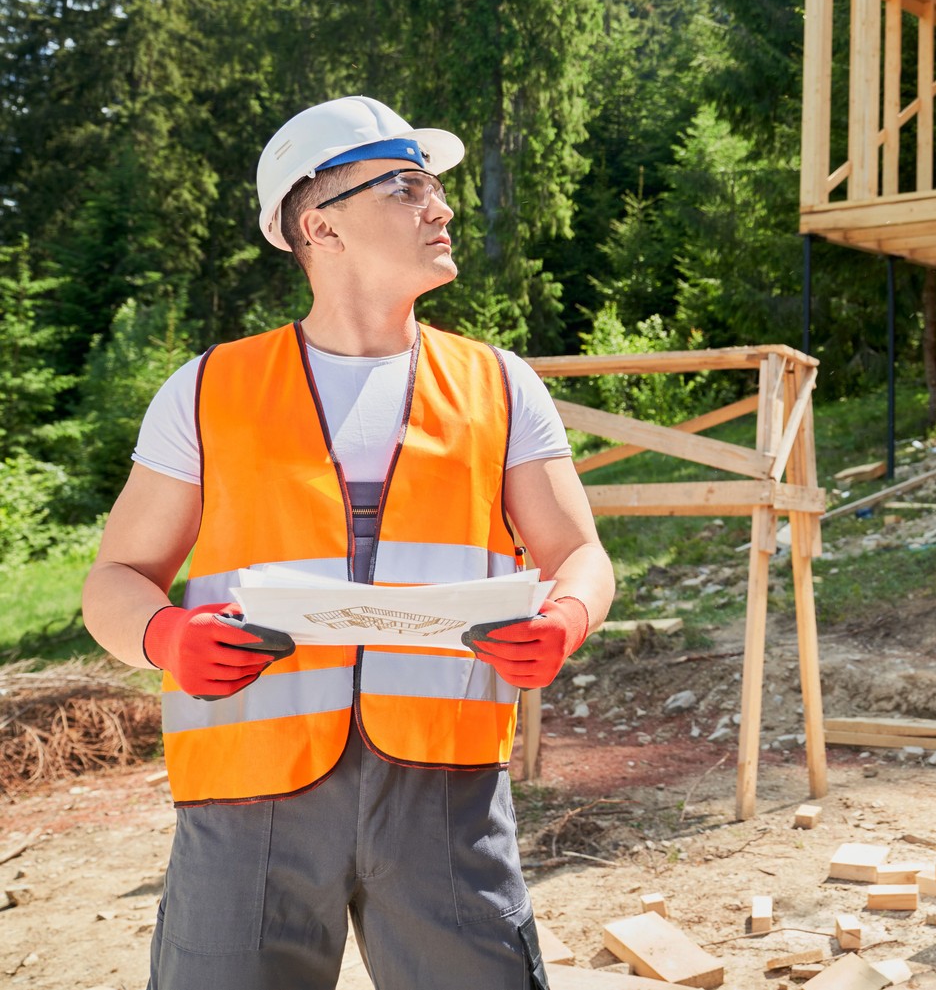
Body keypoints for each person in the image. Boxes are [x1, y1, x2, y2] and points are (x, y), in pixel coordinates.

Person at [81, 95, 615, 990]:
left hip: (444, 796)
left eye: (435, 187)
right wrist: (163, 637)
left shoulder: (499, 385)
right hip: (248, 802)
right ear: (319, 226)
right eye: (407, 186)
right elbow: (115, 579)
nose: (440, 207)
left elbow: (582, 556)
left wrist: (565, 617)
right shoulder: (207, 389)